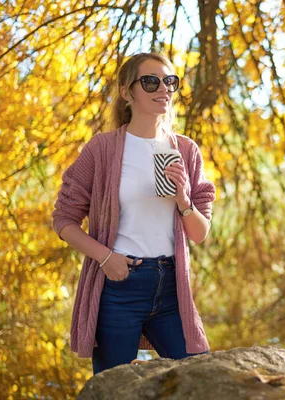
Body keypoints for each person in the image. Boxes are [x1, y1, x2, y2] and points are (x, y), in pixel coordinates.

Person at [51, 52, 216, 374]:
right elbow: (64, 220)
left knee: (200, 378)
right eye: (151, 81)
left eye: (170, 81)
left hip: (172, 286)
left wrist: (184, 200)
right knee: (114, 389)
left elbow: (199, 233)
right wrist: (105, 258)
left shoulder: (185, 150)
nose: (163, 89)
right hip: (119, 284)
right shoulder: (102, 149)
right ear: (128, 93)